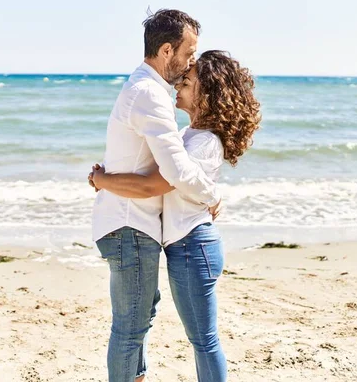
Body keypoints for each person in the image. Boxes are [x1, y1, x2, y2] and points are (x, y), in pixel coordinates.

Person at [91, 50, 261, 382]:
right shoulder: (187, 137)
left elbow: (158, 182)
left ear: (207, 92)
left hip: (194, 246)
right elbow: (145, 165)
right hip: (184, 248)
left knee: (204, 341)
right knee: (198, 338)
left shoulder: (205, 142)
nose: (180, 84)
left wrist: (105, 181)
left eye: (189, 80)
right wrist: (109, 176)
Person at [89, 9, 222, 382]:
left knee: (139, 318)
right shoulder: (149, 93)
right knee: (131, 327)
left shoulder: (148, 90)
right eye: (189, 52)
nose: (192, 60)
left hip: (133, 223)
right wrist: (210, 193)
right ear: (167, 51)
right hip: (130, 224)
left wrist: (102, 178)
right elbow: (174, 172)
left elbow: (155, 168)